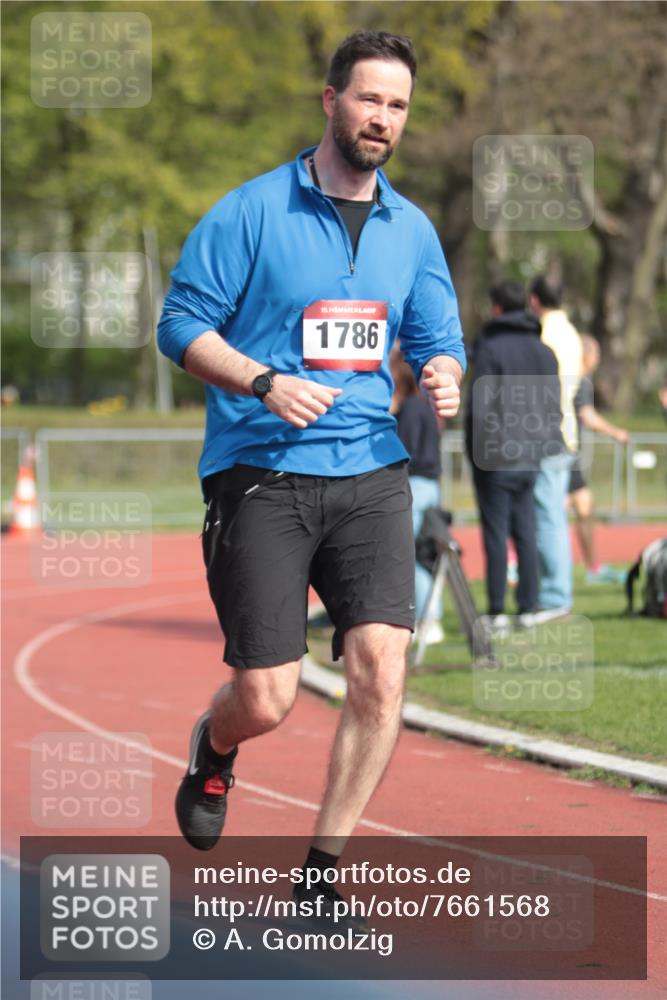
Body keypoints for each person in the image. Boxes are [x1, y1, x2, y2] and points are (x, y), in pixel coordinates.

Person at [157, 31, 466, 910]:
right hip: (262, 471)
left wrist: (445, 373)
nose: (383, 117)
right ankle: (214, 749)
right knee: (268, 695)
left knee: (381, 669)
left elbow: (438, 341)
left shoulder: (412, 230)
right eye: (369, 98)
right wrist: (261, 380)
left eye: (398, 105)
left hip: (372, 469)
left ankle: (323, 870)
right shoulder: (251, 211)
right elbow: (179, 326)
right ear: (329, 101)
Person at [465, 280, 564, 631]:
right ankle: (529, 605)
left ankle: (495, 609)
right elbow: (553, 404)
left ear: (496, 308)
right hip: (532, 453)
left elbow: (480, 406)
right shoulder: (544, 351)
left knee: (495, 532)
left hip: (495, 455)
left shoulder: (490, 348)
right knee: (526, 529)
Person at [529, 275, 583, 621]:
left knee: (546, 517)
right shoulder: (572, 333)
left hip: (546, 432)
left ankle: (554, 595)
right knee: (554, 516)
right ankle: (555, 590)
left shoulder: (544, 334)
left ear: (534, 300)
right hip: (566, 428)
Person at [390, 345, 444, 644]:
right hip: (430, 483)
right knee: (424, 552)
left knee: (411, 556)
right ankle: (429, 616)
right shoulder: (424, 407)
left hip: (416, 484)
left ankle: (427, 617)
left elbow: (405, 449)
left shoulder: (410, 409)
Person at [568, 334, 629, 583]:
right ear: (586, 355)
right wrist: (616, 433)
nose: (598, 359)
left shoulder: (577, 380)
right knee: (552, 511)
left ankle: (593, 568)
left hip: (567, 455)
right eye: (597, 354)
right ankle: (517, 562)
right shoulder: (577, 381)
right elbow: (589, 418)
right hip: (561, 453)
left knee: (584, 505)